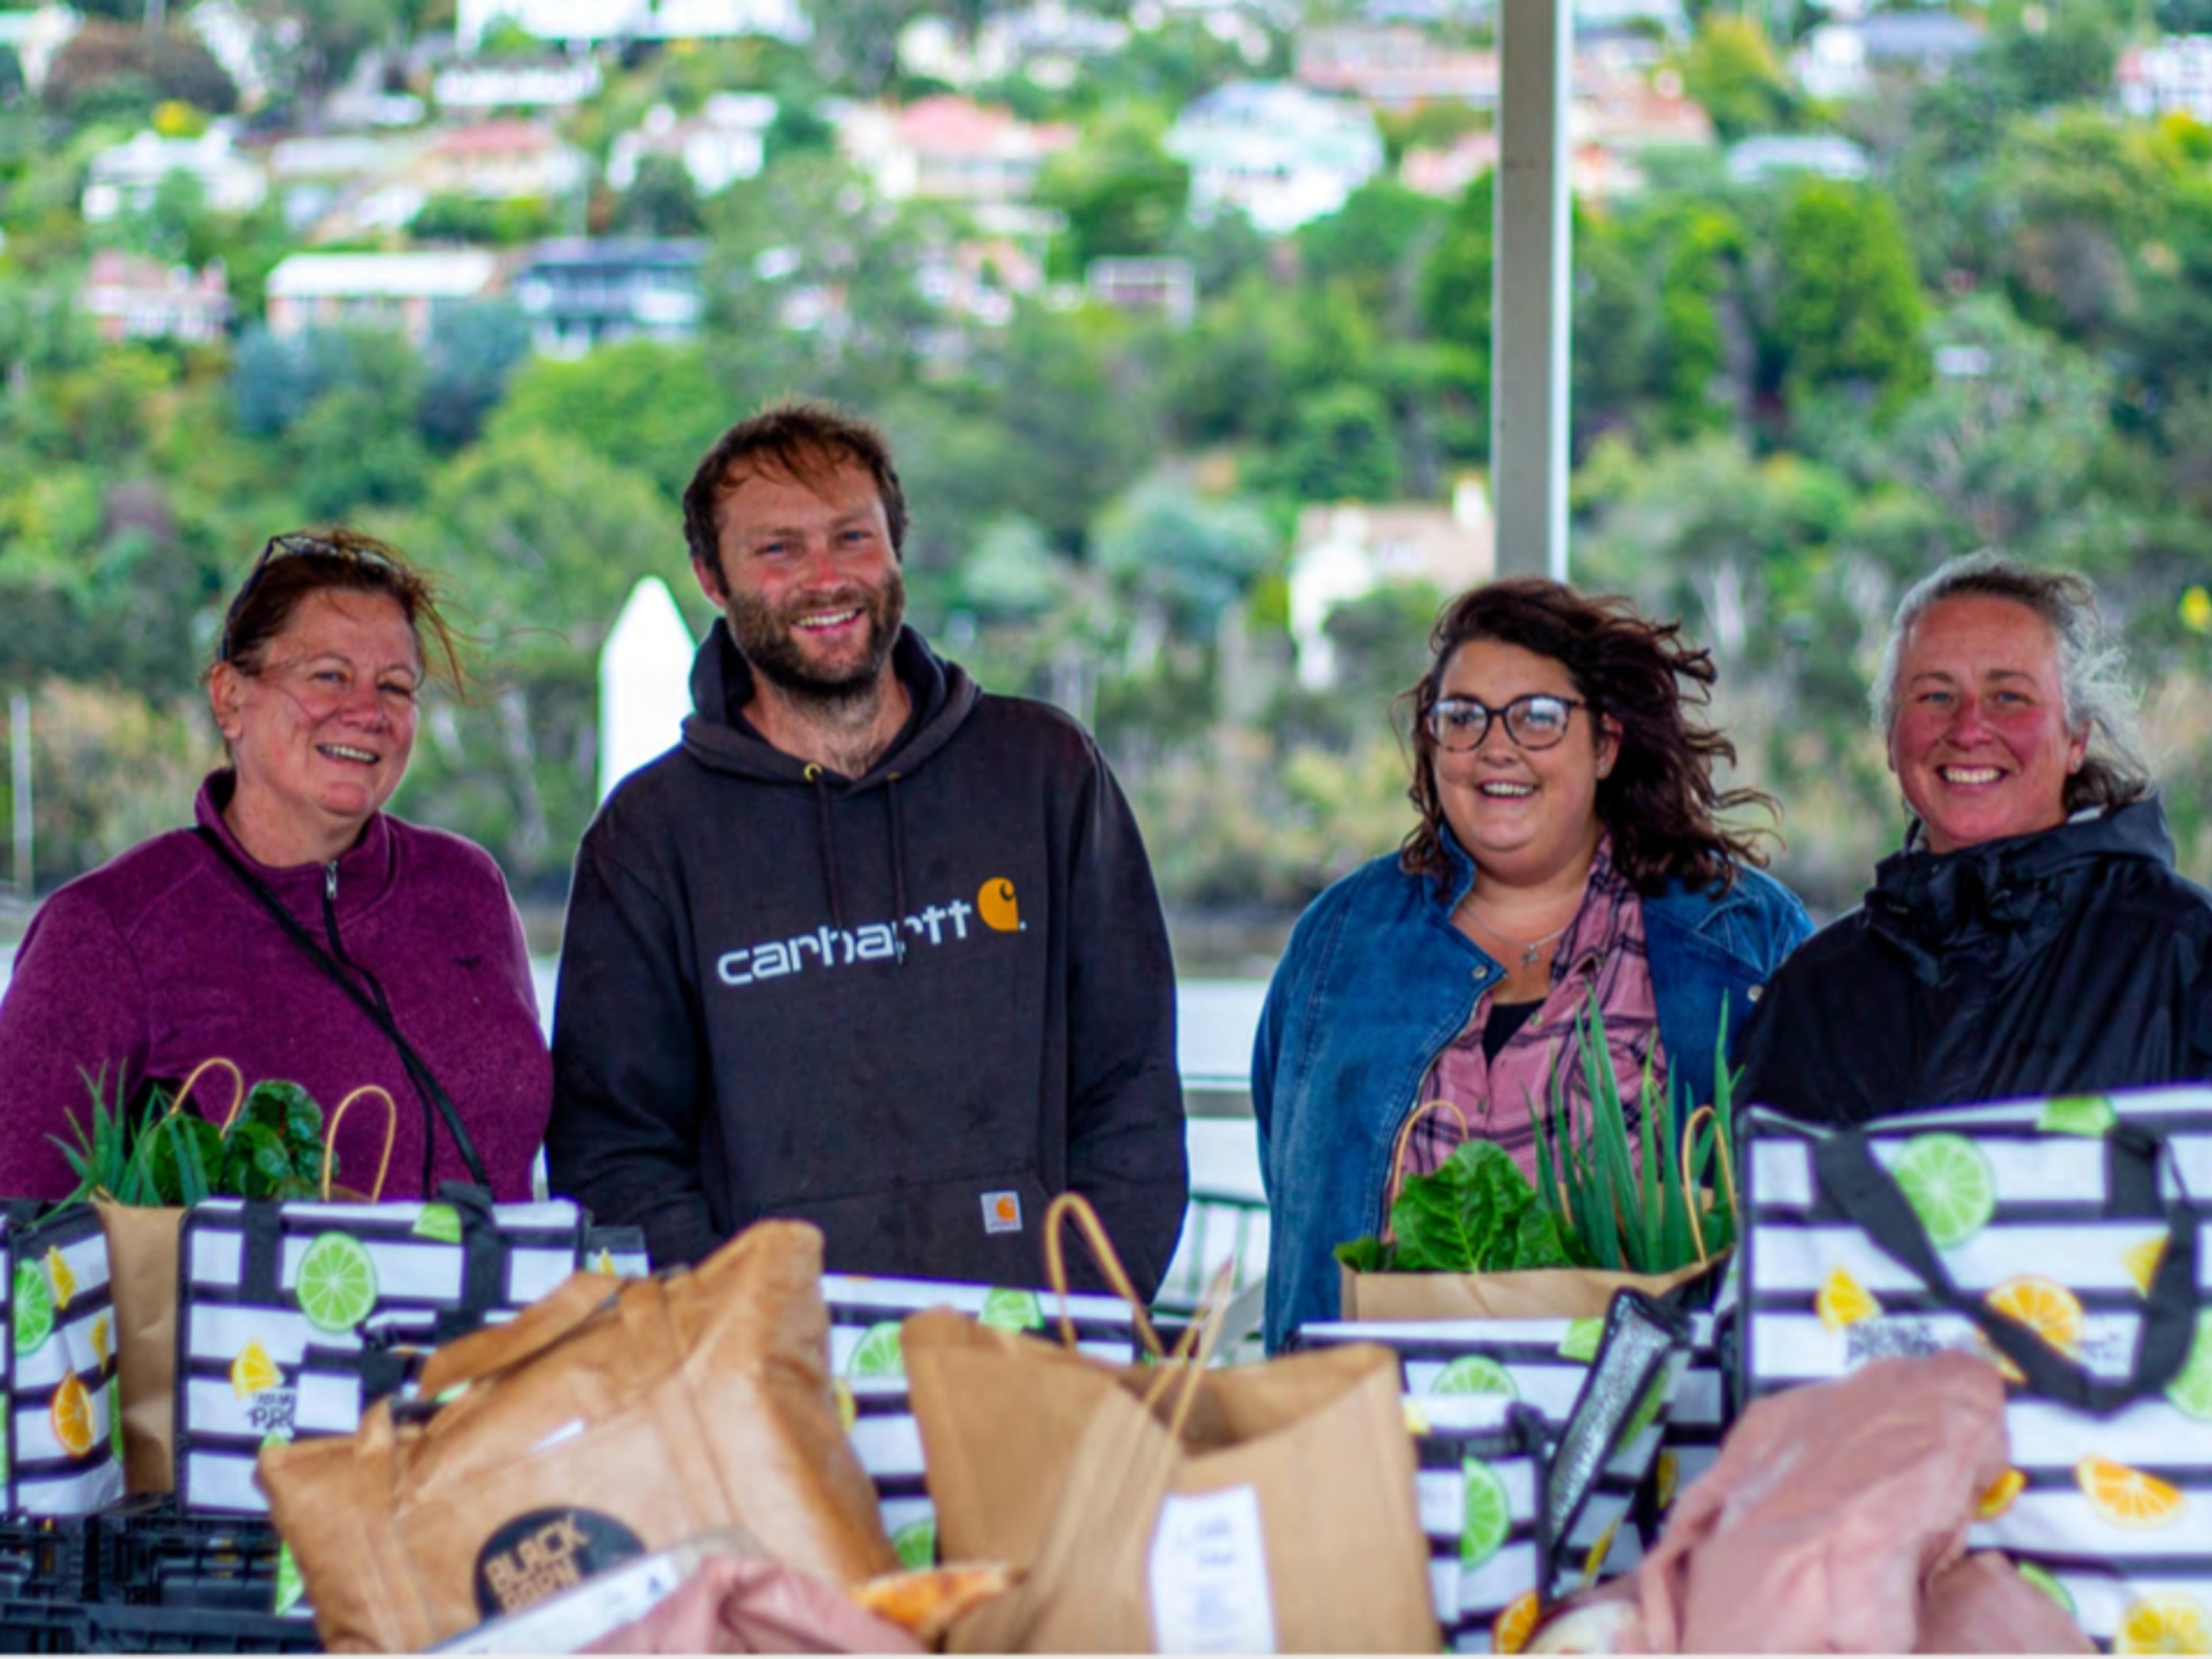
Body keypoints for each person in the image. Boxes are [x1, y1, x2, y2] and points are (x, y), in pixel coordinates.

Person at [546, 400, 1188, 1294]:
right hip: (768, 1383)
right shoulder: (646, 836)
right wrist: (735, 1344)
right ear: (711, 577)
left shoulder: (1044, 772)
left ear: (897, 548)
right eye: (777, 549)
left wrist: (1084, 1312)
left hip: (1036, 1363)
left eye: (852, 538)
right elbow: (614, 1152)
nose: (825, 577)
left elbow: (1132, 1092)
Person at [1251, 579, 1812, 1350]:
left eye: (1539, 717)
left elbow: (1804, 1210)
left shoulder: (1743, 935)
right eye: (1463, 717)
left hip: (1648, 1445)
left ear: (1606, 744)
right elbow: (1293, 1183)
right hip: (1367, 1435)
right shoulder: (1340, 940)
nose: (1496, 747)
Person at [0, 531, 548, 1200]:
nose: (368, 713)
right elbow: (16, 1223)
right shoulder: (106, 932)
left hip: (513, 1308)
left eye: (395, 687)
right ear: (230, 699)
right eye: (329, 677)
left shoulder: (467, 889)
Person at [1737, 551, 2212, 1123]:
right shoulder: (1812, 995)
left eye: (2008, 696)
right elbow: (1751, 1203)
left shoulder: (2185, 952)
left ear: (2077, 739)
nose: (1967, 730)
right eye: (1936, 696)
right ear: (1891, 737)